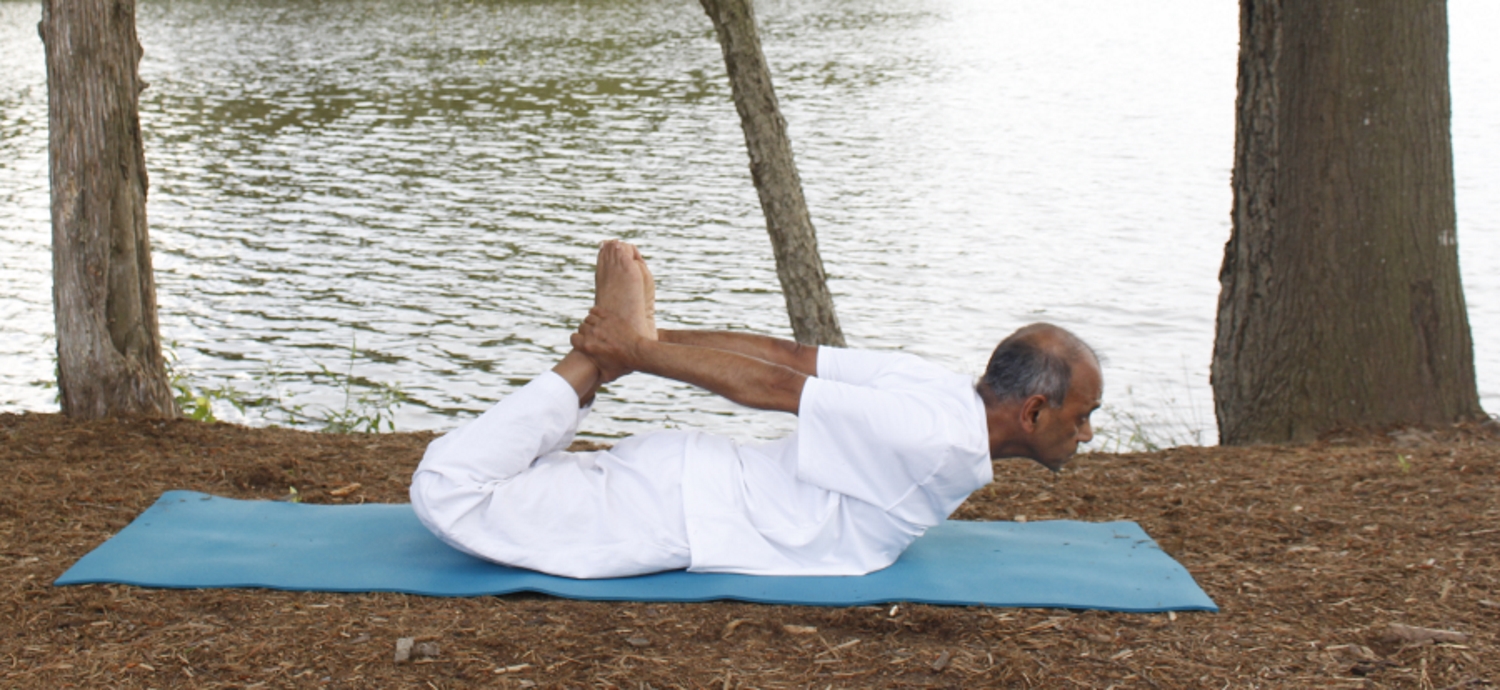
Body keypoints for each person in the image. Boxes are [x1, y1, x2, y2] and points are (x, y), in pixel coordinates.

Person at [410, 240, 1102, 579]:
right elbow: (775, 385)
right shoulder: (936, 440)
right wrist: (636, 349)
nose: (1088, 433)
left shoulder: (938, 386)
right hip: (674, 515)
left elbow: (791, 358)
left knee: (484, 481)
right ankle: (594, 360)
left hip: (687, 482)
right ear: (1035, 411)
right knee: (449, 491)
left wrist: (647, 342)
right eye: (1082, 416)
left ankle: (607, 350)